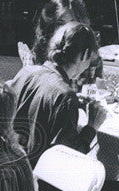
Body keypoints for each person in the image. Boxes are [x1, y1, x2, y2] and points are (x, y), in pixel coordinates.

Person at [9, 21, 108, 164]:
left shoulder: (26, 72)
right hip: (35, 178)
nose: (88, 67)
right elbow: (67, 161)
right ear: (85, 54)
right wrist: (92, 126)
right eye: (90, 60)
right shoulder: (65, 95)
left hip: (9, 167)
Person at [25, 0, 102, 85]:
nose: (66, 29)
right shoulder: (37, 56)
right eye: (60, 24)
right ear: (50, 25)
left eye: (72, 23)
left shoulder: (89, 55)